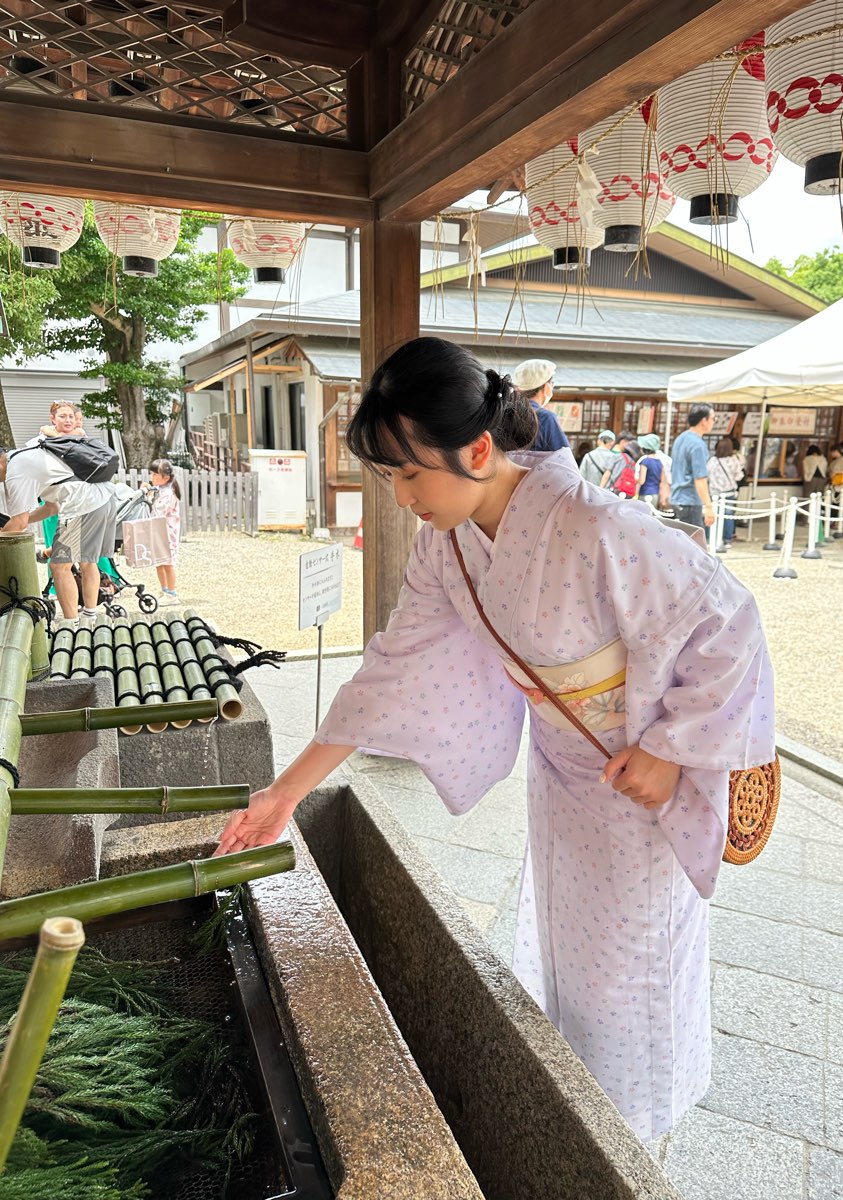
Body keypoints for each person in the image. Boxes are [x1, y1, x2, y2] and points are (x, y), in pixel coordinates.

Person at [215, 336, 775, 1142]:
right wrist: (285, 793)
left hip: (637, 782)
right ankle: (581, 1113)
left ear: (478, 448)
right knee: (571, 952)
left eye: (411, 471)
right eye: (390, 476)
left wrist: (670, 752)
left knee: (631, 973)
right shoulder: (448, 549)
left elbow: (730, 621)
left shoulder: (596, 523)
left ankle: (631, 1143)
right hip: (565, 775)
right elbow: (392, 664)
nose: (402, 496)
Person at [0, 443, 117, 621]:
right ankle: (90, 618)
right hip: (103, 498)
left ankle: (73, 624)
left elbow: (19, 522)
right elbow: (51, 508)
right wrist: (12, 523)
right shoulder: (28, 455)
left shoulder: (15, 470)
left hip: (82, 505)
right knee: (87, 561)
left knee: (59, 566)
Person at [669, 405, 716, 531]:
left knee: (681, 542)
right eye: (713, 418)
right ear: (704, 421)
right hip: (690, 499)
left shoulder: (681, 438)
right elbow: (700, 478)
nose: (714, 422)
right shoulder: (697, 445)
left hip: (677, 496)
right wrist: (709, 506)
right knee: (695, 544)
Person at [510, 358, 569, 453]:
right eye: (551, 383)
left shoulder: (503, 413)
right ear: (546, 387)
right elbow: (565, 459)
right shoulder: (545, 418)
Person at [147, 458, 181, 606]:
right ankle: (164, 589)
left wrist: (148, 497)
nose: (152, 478)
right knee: (159, 563)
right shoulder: (160, 490)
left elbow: (158, 511)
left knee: (167, 563)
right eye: (151, 474)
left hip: (167, 534)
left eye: (155, 475)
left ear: (165, 477)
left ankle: (172, 593)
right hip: (158, 532)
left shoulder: (169, 493)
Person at [707, 437, 744, 545]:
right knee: (728, 516)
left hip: (714, 493)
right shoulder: (734, 461)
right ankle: (727, 539)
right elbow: (739, 476)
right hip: (729, 492)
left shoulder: (712, 461)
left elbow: (706, 475)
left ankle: (710, 538)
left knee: (712, 516)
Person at [636, 432, 668, 509]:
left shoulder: (645, 461)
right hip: (655, 494)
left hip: (645, 494)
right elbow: (663, 482)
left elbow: (641, 481)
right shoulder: (660, 462)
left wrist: (636, 480)